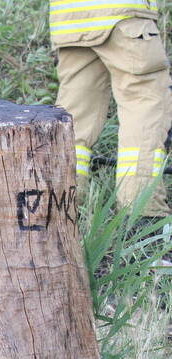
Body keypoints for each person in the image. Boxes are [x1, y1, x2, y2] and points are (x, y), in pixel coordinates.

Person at [51, 0, 172, 216]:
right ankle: (142, 210)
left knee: (74, 117)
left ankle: (62, 207)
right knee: (143, 103)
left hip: (70, 22)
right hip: (123, 16)